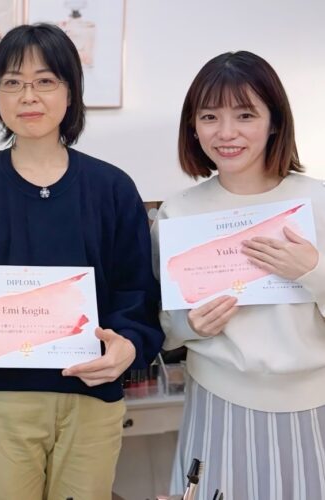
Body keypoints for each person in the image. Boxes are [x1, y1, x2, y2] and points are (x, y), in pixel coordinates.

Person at [0, 23, 163, 500]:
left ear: (70, 92)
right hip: (1, 399)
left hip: (91, 398)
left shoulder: (112, 188)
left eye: (45, 81)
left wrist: (129, 346)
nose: (28, 95)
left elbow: (136, 291)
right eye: (12, 82)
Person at [153, 51, 325, 499]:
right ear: (193, 126)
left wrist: (313, 272)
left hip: (315, 406)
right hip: (216, 402)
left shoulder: (318, 202)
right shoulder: (179, 212)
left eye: (245, 115)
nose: (226, 132)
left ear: (275, 121)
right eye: (209, 116)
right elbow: (165, 325)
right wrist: (190, 325)